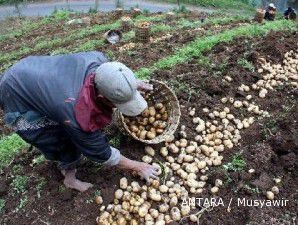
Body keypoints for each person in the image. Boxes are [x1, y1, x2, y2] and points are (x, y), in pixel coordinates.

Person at [0, 51, 159, 192]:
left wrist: (129, 86)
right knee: (59, 139)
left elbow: (116, 77)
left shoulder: (100, 61)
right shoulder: (73, 111)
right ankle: (69, 178)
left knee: (71, 127)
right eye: (116, 103)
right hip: (15, 91)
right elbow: (100, 152)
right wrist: (137, 166)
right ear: (102, 97)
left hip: (33, 70)